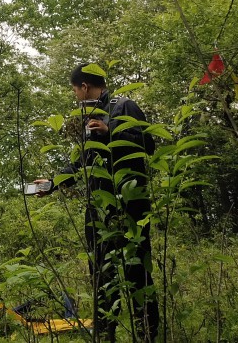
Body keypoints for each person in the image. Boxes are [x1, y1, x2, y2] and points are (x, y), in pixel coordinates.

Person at [35, 64, 159, 342]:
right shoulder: (90, 118)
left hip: (130, 205)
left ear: (84, 87)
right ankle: (105, 335)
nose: (76, 98)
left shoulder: (124, 106)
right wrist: (53, 183)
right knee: (101, 274)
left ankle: (147, 334)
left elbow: (148, 145)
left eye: (75, 91)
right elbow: (79, 163)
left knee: (137, 271)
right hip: (99, 208)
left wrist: (110, 131)